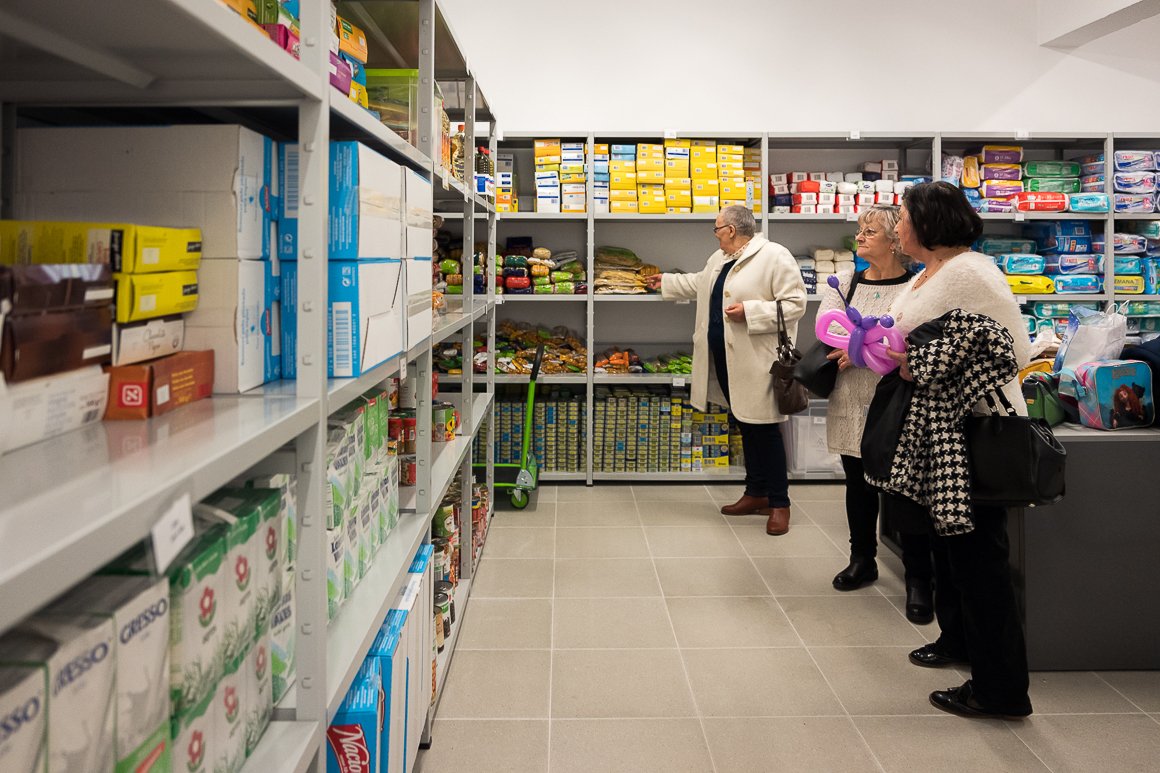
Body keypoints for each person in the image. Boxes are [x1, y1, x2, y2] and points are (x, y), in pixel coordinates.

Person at [878, 181, 1033, 719]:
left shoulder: (970, 273)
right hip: (939, 431)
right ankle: (958, 641)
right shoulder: (929, 272)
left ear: (929, 222)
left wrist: (916, 364)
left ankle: (1000, 690)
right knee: (949, 548)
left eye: (902, 218)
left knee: (979, 558)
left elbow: (1010, 350)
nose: (896, 227)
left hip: (974, 430)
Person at [645, 205, 806, 535]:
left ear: (731, 230)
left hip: (758, 362)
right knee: (746, 425)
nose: (715, 234)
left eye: (717, 228)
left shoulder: (774, 256)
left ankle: (780, 503)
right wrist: (666, 281)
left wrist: (750, 311)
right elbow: (701, 283)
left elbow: (794, 304)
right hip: (727, 360)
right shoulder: (720, 258)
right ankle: (756, 492)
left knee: (765, 430)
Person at [820, 205, 935, 624]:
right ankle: (862, 559)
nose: (860, 237)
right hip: (851, 398)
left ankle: (919, 578)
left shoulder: (916, 285)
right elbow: (829, 327)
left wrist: (860, 351)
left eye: (870, 231)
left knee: (904, 489)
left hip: (896, 401)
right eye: (860, 231)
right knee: (858, 483)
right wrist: (869, 345)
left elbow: (915, 337)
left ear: (894, 240)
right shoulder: (846, 281)